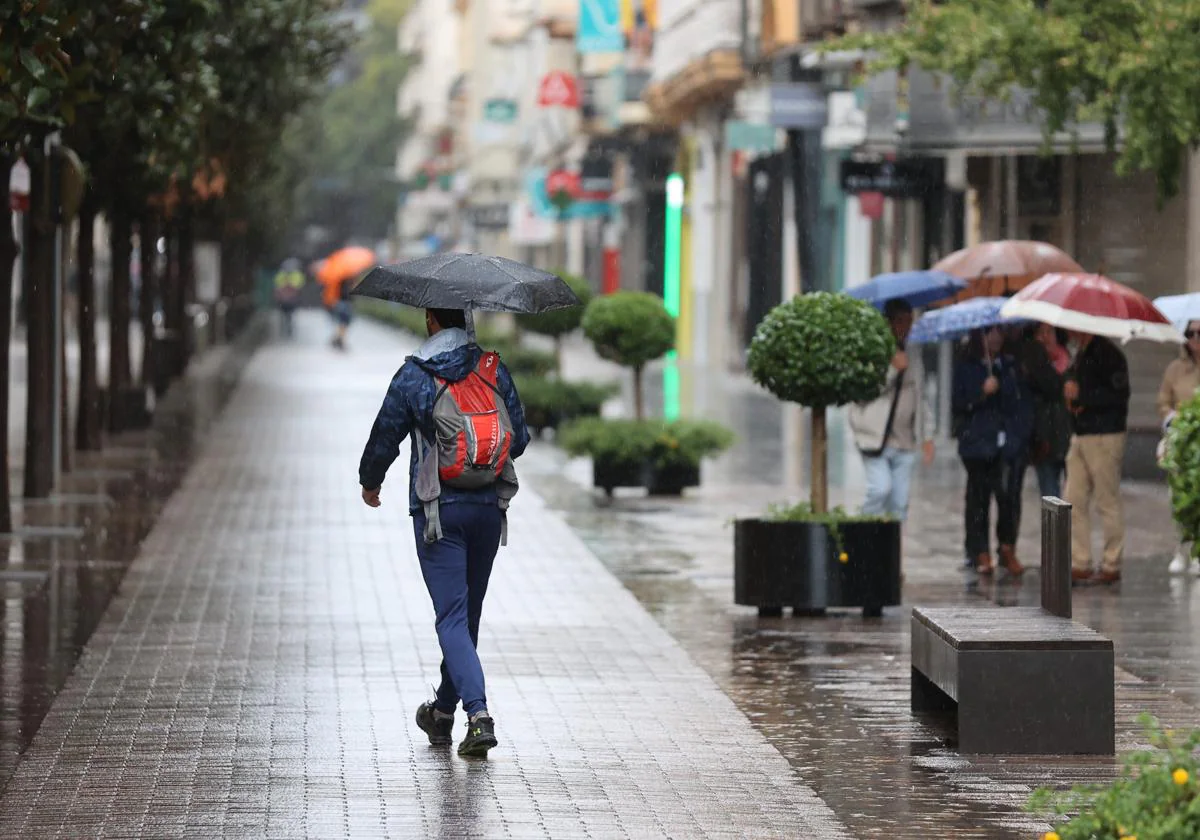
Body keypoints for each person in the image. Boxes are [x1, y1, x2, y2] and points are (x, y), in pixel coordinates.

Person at [358, 308, 529, 757]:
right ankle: (442, 712)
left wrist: (370, 481)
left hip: (438, 512)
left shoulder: (414, 375)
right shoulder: (492, 368)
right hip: (489, 509)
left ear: (432, 320)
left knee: (452, 618)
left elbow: (386, 434)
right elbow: (521, 437)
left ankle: (479, 716)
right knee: (465, 617)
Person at [952, 325, 1030, 576]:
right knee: (978, 499)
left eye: (999, 332)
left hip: (1005, 444)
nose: (995, 337)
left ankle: (1007, 547)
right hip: (976, 444)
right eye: (990, 333)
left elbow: (1016, 403)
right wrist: (981, 392)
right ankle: (979, 551)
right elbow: (959, 403)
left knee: (1007, 497)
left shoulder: (1009, 365)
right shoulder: (966, 365)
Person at [849, 298, 935, 521]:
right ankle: (864, 537)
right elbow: (861, 394)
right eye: (899, 322)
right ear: (887, 323)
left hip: (904, 441)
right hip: (874, 438)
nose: (905, 328)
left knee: (900, 503)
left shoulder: (913, 354)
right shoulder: (872, 352)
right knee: (880, 490)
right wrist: (891, 370)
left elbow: (921, 396)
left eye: (909, 322)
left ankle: (891, 551)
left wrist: (928, 435)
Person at [1064, 330, 1130, 585]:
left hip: (1104, 435)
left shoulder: (1109, 355)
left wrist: (1083, 397)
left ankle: (1112, 562)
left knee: (1106, 499)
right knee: (1074, 498)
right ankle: (1080, 560)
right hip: (1081, 433)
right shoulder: (1080, 354)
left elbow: (1118, 395)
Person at [1157, 319, 1200, 573]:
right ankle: (1181, 549)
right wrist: (1174, 418)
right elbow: (1162, 402)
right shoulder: (1175, 369)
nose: (1195, 339)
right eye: (1190, 333)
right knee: (1179, 497)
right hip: (1182, 442)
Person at [1013, 323, 1072, 498]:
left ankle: (1070, 526)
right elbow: (1049, 386)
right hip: (1044, 439)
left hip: (1070, 436)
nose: (1045, 337)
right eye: (1040, 333)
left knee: (1074, 496)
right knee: (1051, 496)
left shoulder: (1071, 359)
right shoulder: (1032, 363)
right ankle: (1056, 527)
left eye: (1049, 332)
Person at [273, 259, 305, 338]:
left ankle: (287, 328)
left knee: (289, 314)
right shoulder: (282, 274)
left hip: (290, 298)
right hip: (284, 298)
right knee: (285, 314)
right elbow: (277, 285)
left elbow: (299, 285)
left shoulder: (296, 274)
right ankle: (285, 328)